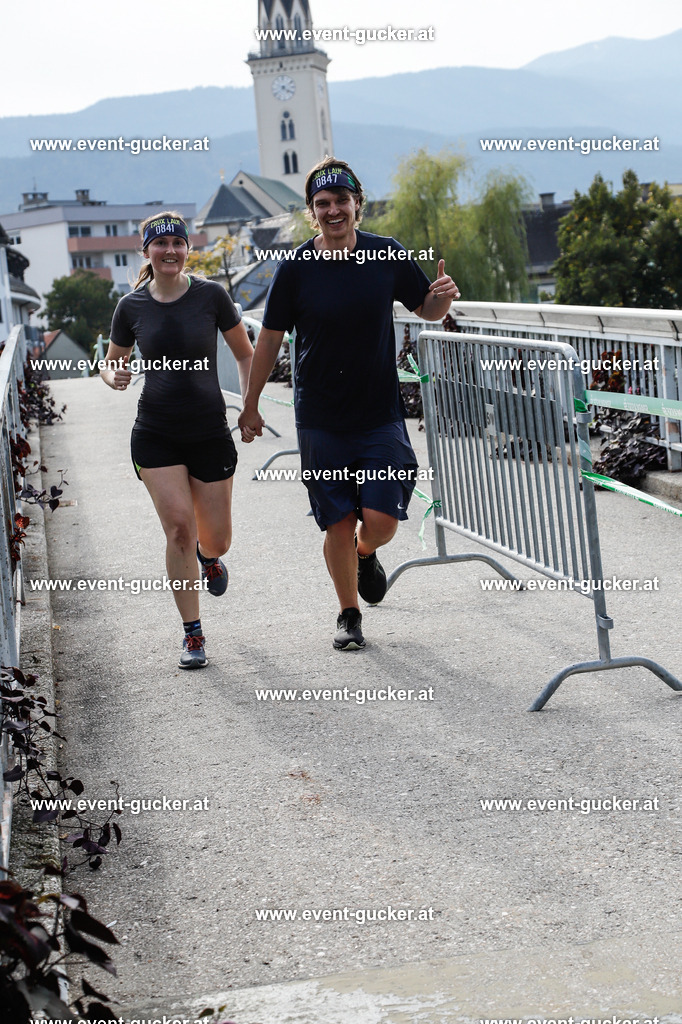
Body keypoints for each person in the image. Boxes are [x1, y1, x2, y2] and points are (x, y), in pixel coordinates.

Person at [238, 158, 460, 650]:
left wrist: (442, 298)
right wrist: (251, 404)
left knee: (380, 520)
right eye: (322, 204)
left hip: (378, 411)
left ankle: (366, 552)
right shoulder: (296, 268)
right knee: (336, 518)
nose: (333, 210)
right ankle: (348, 615)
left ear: (358, 204)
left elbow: (426, 309)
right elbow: (270, 339)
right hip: (319, 415)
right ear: (311, 212)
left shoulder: (386, 255)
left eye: (341, 201)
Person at [101, 210, 254, 669]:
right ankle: (192, 634)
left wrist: (249, 405)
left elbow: (245, 355)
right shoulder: (131, 306)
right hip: (156, 434)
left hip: (209, 431)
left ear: (187, 249)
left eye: (178, 243)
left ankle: (210, 558)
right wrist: (116, 376)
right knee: (178, 530)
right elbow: (110, 364)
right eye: (160, 244)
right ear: (146, 251)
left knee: (218, 539)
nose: (170, 251)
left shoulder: (211, 296)